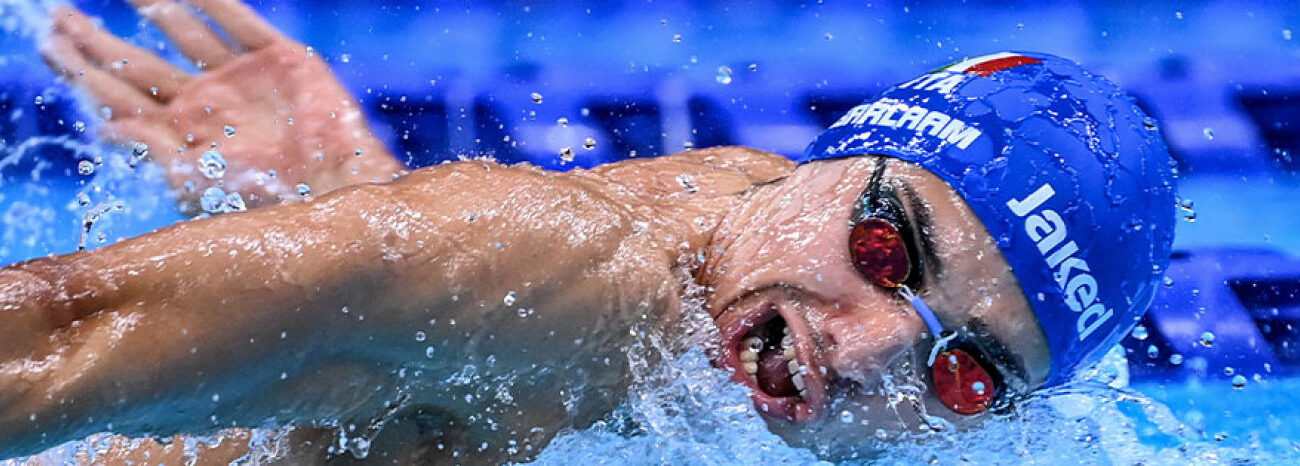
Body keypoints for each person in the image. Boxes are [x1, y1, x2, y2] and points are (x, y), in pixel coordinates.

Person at [1, 0, 1175, 463]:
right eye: (887, 255)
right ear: (843, 151)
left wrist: (343, 208)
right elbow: (54, 332)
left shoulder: (751, 223)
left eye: (964, 374)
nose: (870, 351)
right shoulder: (527, 260)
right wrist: (384, 253)